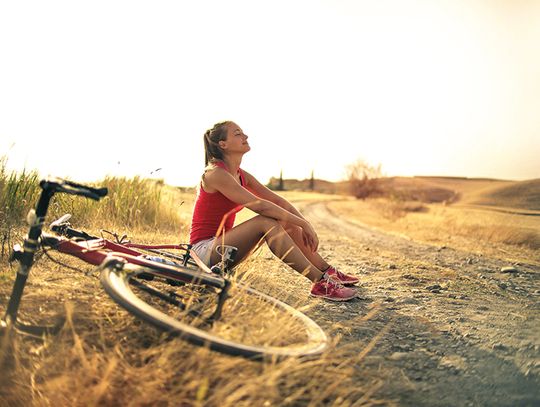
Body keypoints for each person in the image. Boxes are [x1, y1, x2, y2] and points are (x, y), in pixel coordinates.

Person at [189, 121, 359, 301]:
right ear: (222, 144)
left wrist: (303, 223)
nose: (245, 136)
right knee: (266, 221)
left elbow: (276, 200)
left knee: (285, 220)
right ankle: (320, 282)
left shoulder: (240, 174)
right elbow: (260, 205)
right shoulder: (215, 174)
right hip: (202, 253)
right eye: (238, 133)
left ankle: (327, 271)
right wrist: (302, 223)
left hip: (224, 251)